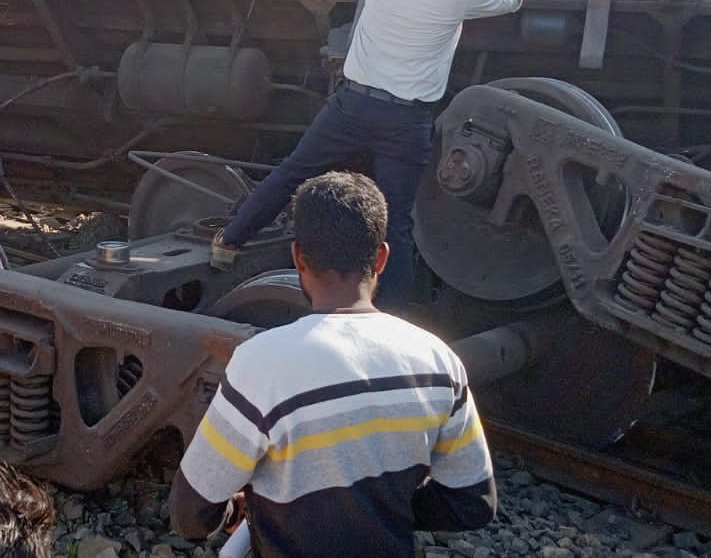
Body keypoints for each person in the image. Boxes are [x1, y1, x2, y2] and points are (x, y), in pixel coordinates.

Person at [212, 0, 523, 310]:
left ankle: (229, 241)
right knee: (395, 224)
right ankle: (394, 318)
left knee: (292, 173)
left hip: (352, 106)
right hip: (406, 123)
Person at [170, 171, 497, 557]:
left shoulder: (263, 362)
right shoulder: (438, 359)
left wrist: (237, 512)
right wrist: (382, 509)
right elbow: (472, 503)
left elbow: (190, 514)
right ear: (381, 257)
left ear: (297, 257)